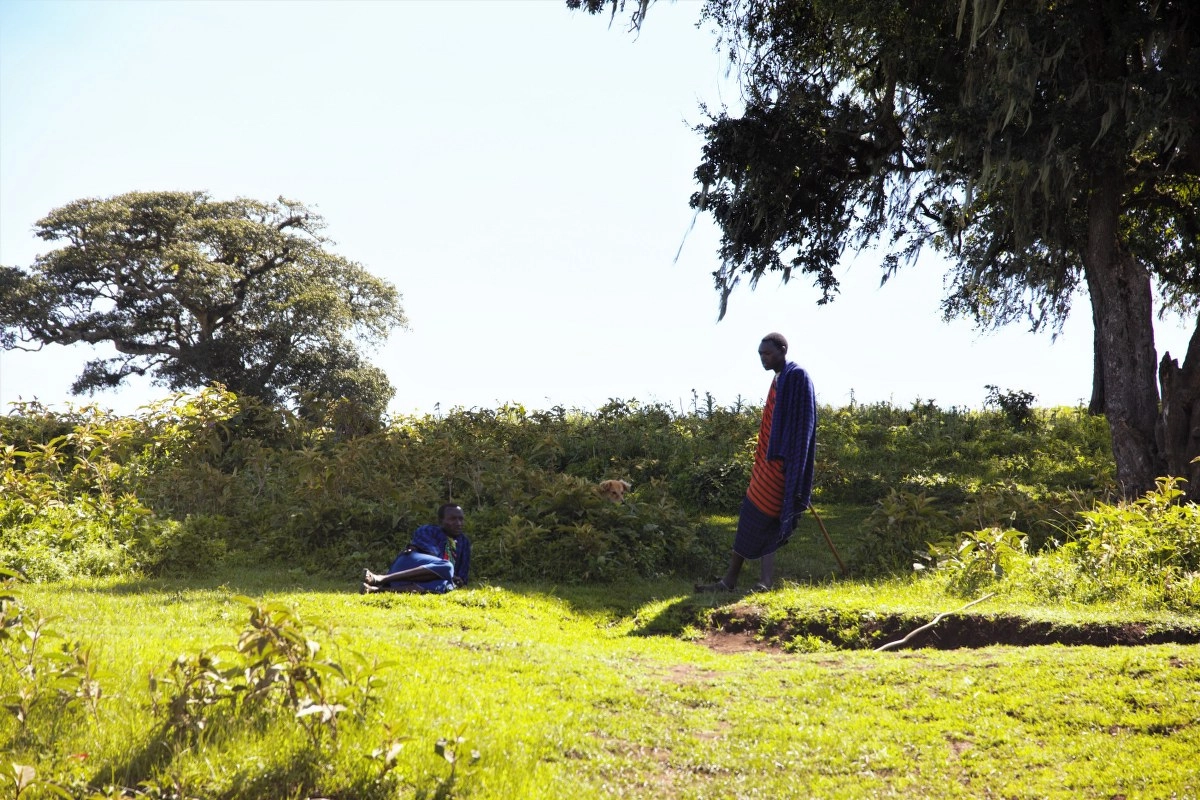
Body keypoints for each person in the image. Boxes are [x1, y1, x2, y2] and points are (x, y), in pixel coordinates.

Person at [697, 332, 817, 592]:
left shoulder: (797, 376)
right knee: (753, 515)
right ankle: (733, 580)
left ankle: (760, 581)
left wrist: (792, 461)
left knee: (768, 517)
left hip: (782, 463)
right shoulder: (779, 378)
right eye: (761, 354)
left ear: (783, 350)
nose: (763, 358)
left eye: (768, 353)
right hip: (766, 462)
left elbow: (802, 422)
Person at [363, 503, 472, 594]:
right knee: (447, 566)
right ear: (441, 520)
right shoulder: (428, 530)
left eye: (461, 519)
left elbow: (462, 577)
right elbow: (432, 553)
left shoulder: (464, 542)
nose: (458, 523)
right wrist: (450, 573)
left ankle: (376, 590)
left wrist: (458, 580)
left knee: (446, 586)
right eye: (453, 519)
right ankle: (381, 579)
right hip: (408, 566)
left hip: (428, 579)